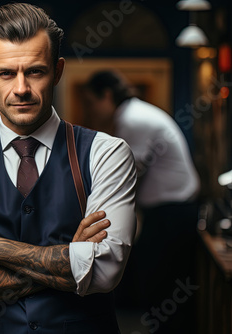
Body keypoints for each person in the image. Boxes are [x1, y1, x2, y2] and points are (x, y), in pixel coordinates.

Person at [0, 4, 136, 333]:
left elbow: (105, 271)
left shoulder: (107, 154)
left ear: (57, 71)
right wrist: (70, 260)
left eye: (35, 71)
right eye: (6, 73)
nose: (22, 88)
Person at [83, 70, 200, 333]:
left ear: (107, 95)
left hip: (173, 214)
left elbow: (125, 178)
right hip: (170, 212)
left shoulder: (132, 120)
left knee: (163, 289)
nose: (89, 111)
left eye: (91, 102)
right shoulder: (133, 114)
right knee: (162, 288)